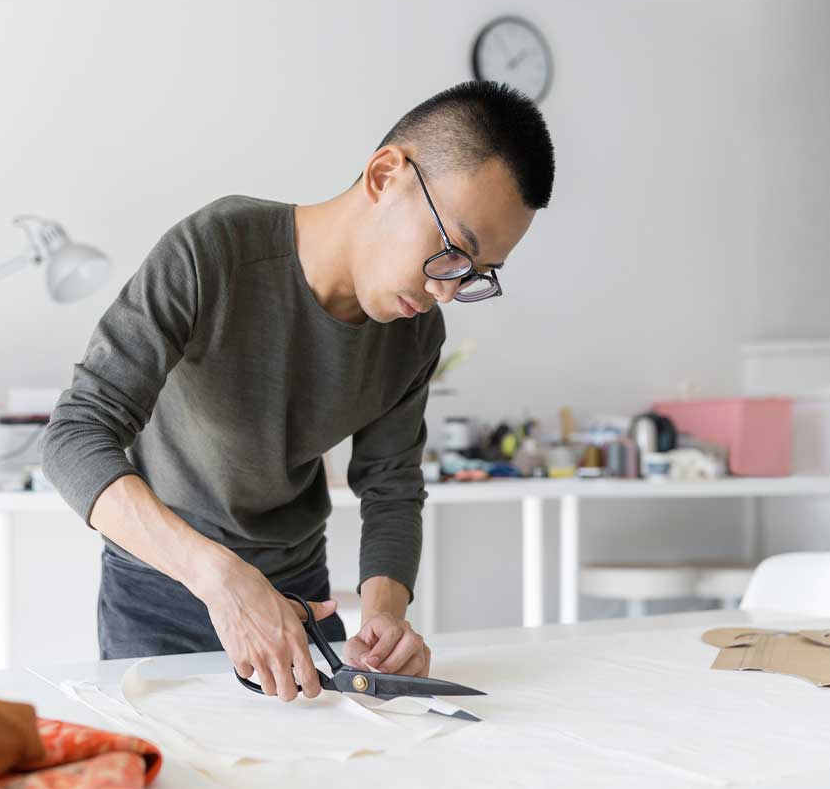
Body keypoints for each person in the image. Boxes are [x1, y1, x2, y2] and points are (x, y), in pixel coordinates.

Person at [42, 80, 555, 703]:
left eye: (477, 275)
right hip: (159, 593)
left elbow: (390, 484)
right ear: (385, 175)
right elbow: (75, 435)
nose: (449, 290)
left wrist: (385, 614)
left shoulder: (416, 333)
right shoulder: (215, 250)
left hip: (302, 600)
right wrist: (222, 581)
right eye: (452, 251)